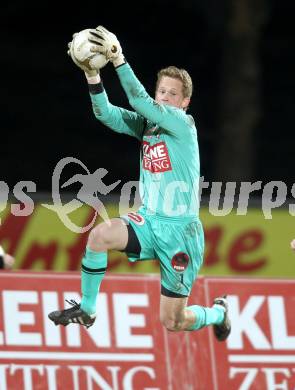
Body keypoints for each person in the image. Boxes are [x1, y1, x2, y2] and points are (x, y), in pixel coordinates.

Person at [48, 26, 231, 341]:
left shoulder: (183, 125)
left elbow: (138, 100)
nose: (164, 98)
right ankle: (88, 309)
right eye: (161, 91)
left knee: (173, 321)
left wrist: (118, 59)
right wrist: (93, 75)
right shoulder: (148, 125)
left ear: (185, 102)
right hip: (149, 220)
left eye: (172, 94)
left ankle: (218, 313)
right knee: (99, 236)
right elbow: (105, 114)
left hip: (180, 233)